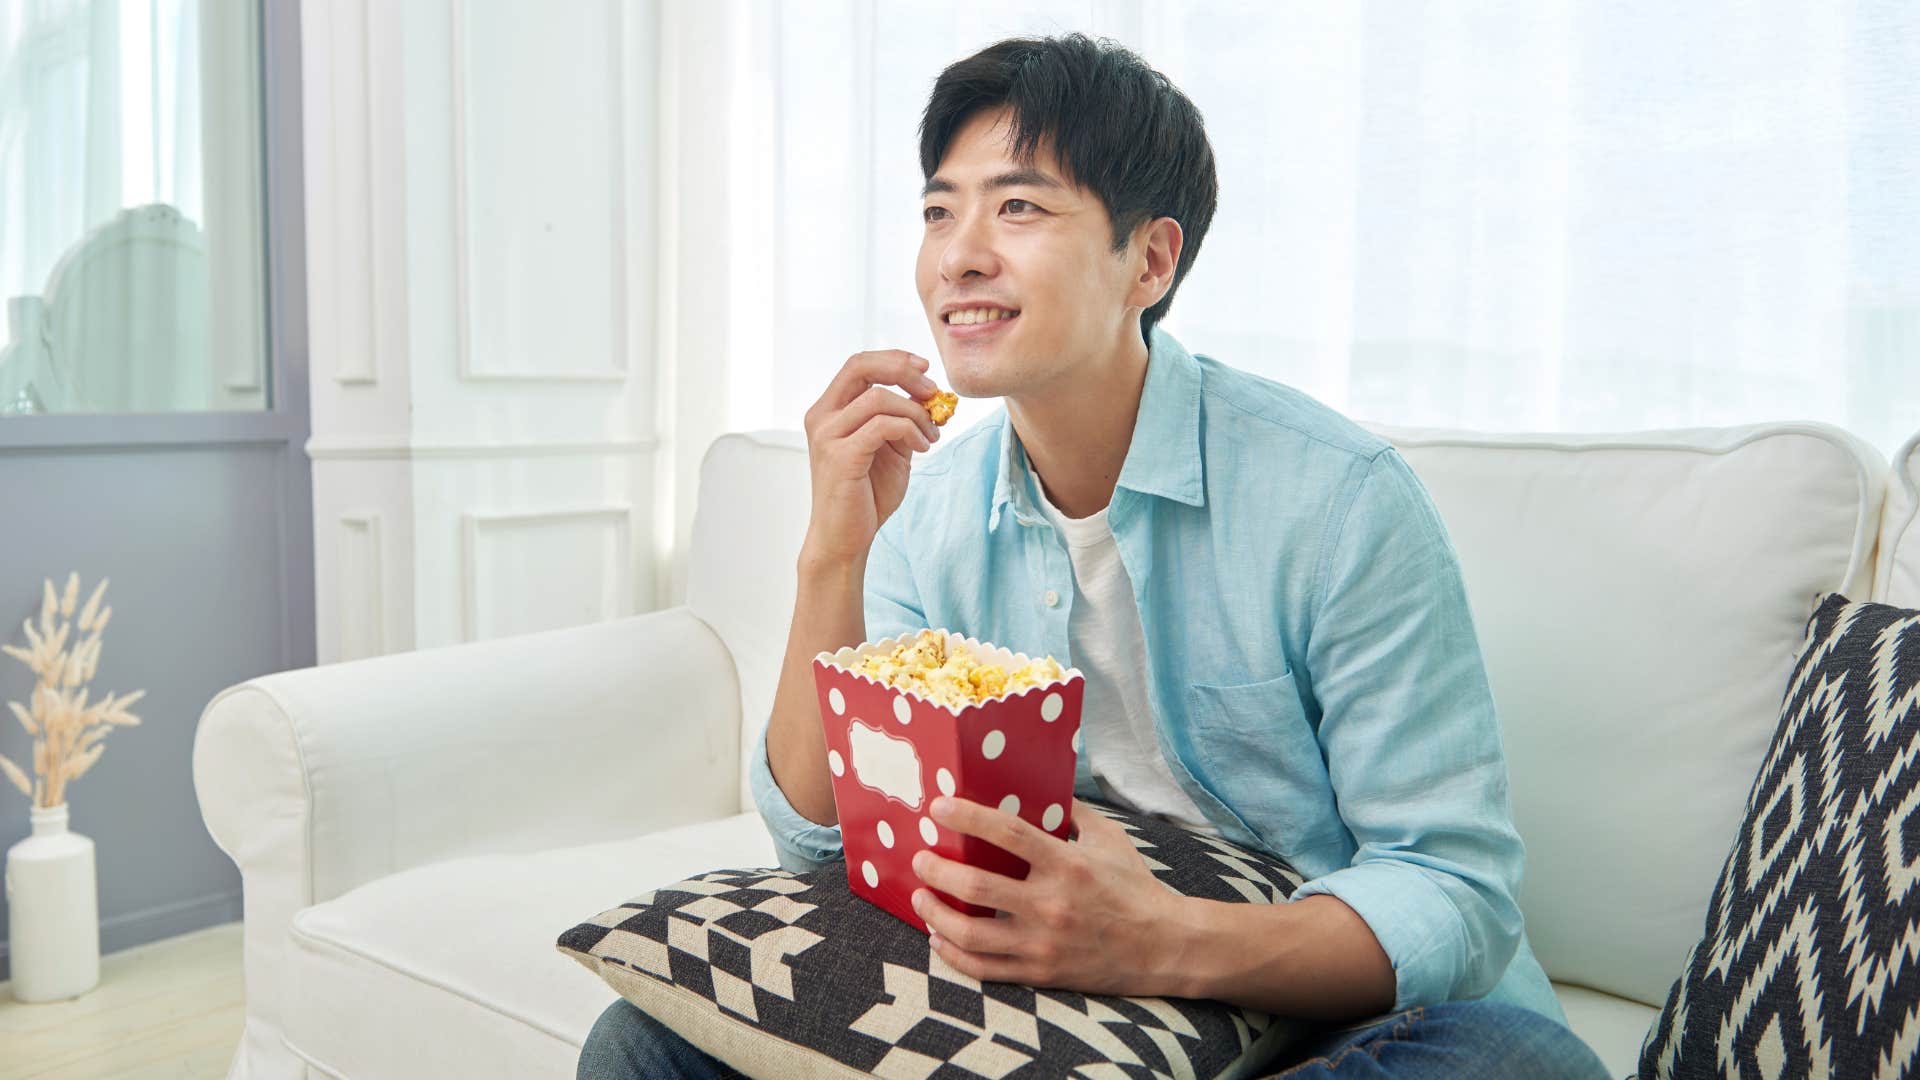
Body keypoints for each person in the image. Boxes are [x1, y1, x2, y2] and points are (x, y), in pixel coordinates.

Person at [581, 32, 1614, 1080]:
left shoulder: (1336, 501)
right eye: (940, 209)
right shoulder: (931, 521)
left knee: (1512, 1063)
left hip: (1313, 1003)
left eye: (1019, 207)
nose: (959, 253)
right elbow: (829, 846)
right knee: (646, 1045)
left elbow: (1452, 888)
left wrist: (1163, 940)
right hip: (1068, 1005)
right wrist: (831, 555)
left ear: (1150, 260)